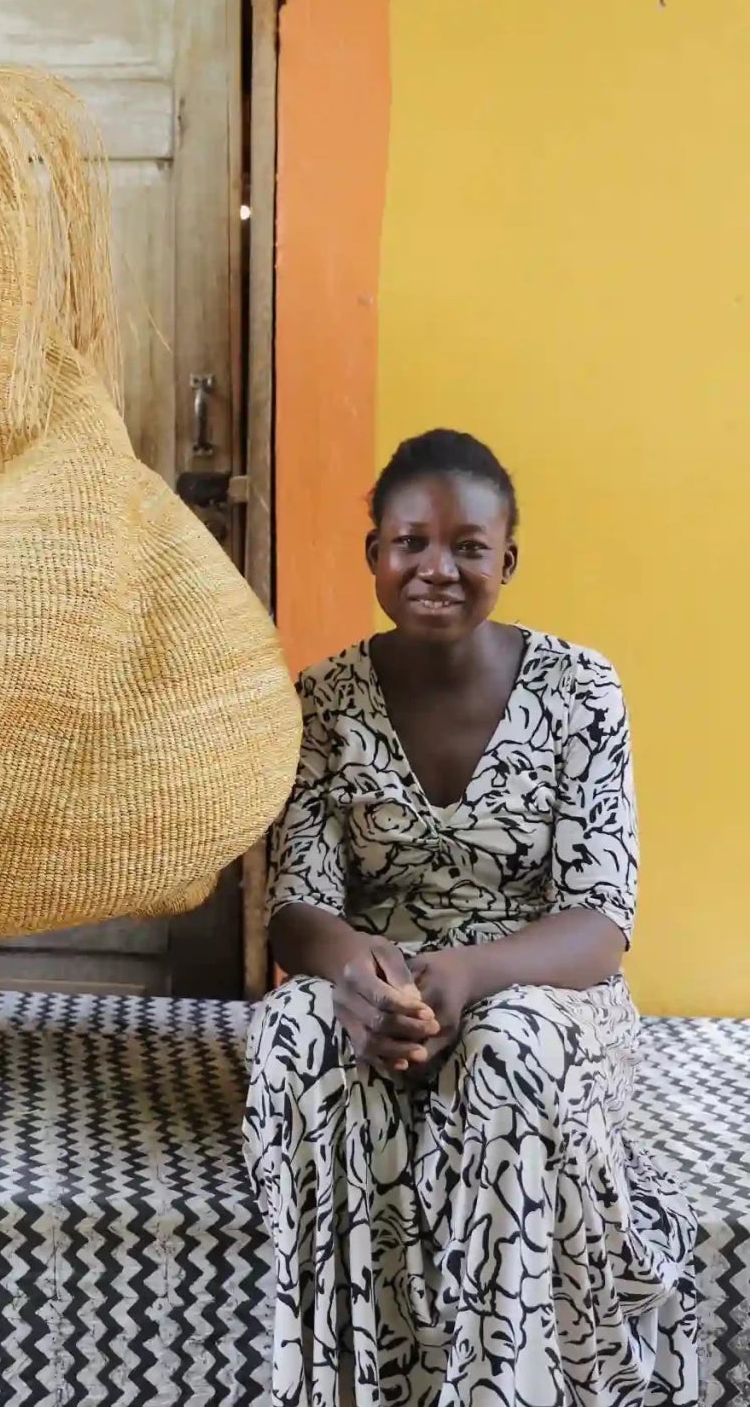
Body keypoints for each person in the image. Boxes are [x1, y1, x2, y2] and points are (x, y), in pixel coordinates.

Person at [244, 430, 699, 1407]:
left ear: (508, 560)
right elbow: (295, 906)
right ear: (373, 553)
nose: (436, 567)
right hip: (381, 977)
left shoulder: (581, 692)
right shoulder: (322, 701)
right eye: (410, 542)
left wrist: (466, 973)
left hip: (537, 982)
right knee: (298, 1036)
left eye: (468, 547)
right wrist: (360, 976)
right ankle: (350, 1383)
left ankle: (508, 1384)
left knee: (509, 1051)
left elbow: (599, 921)